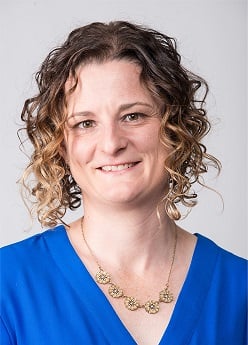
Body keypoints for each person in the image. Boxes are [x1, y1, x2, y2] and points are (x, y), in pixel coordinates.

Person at [0, 21, 246, 345]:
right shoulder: (7, 284)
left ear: (176, 128)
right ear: (60, 145)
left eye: (133, 116)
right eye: (85, 123)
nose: (111, 143)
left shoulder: (240, 289)